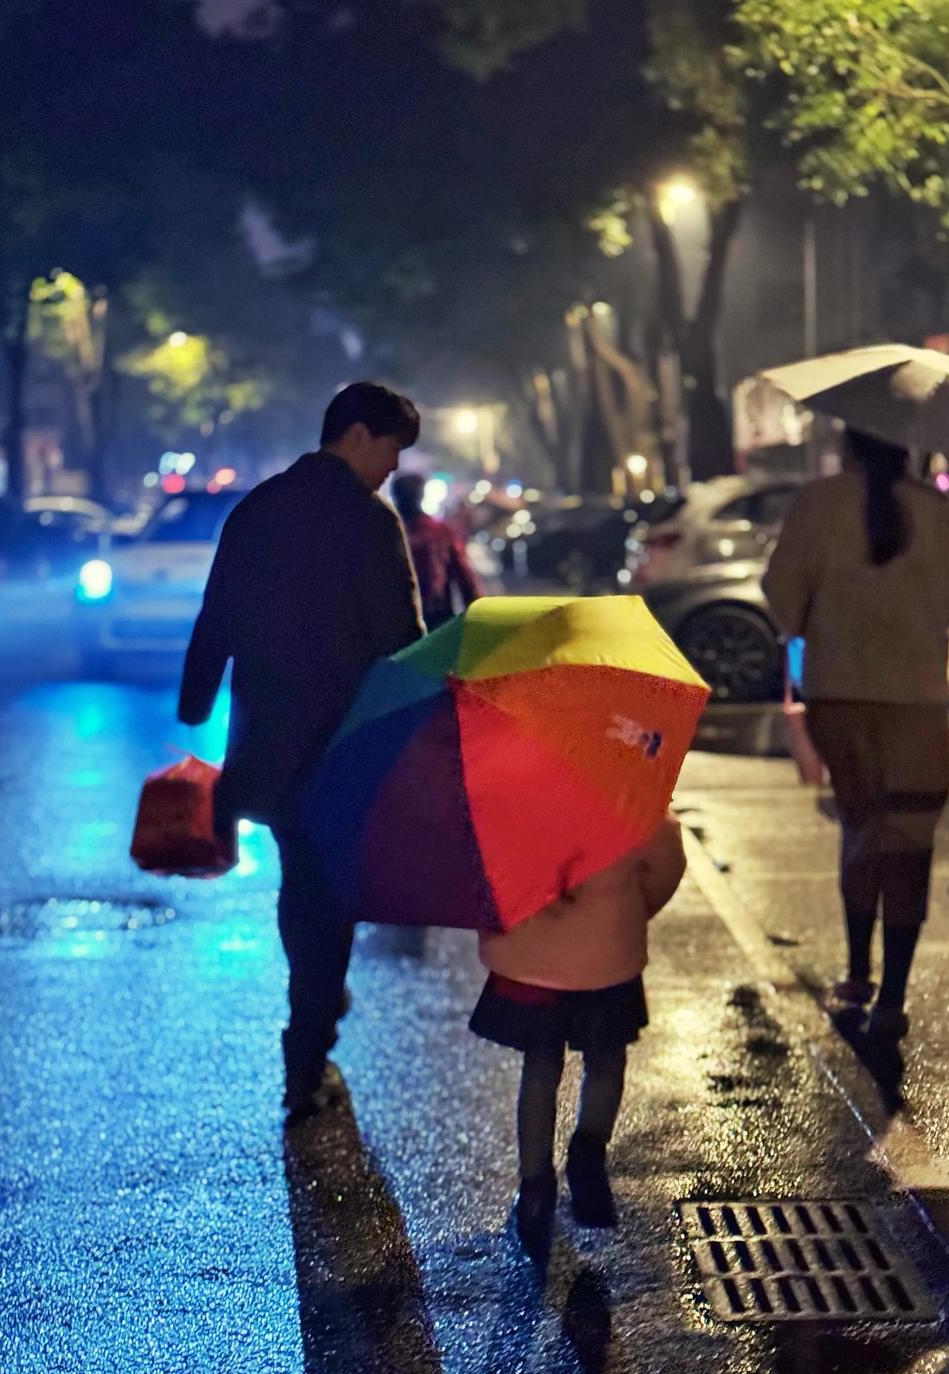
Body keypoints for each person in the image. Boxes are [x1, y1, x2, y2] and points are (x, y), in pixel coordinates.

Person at [178, 382, 425, 1117]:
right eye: (389, 447)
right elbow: (400, 641)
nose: (392, 465)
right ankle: (307, 1046)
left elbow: (216, 610)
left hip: (270, 736)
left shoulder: (258, 508)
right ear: (354, 434)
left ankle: (313, 1014)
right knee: (329, 891)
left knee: (302, 880)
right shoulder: (371, 523)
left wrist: (195, 700)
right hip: (345, 744)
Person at [762, 428, 949, 1042]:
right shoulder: (936, 510)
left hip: (839, 697)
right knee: (908, 843)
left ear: (850, 443)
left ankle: (857, 974)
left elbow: (782, 600)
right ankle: (894, 999)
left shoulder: (816, 503)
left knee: (861, 830)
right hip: (918, 701)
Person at [469, 815, 687, 1256]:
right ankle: (588, 1155)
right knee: (606, 1059)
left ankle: (534, 1190)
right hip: (605, 953)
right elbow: (666, 865)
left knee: (540, 1065)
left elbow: (489, 869)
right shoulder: (627, 798)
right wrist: (628, 909)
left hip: (536, 958)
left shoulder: (521, 796)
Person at [390, 472, 487, 629]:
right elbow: (464, 575)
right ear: (421, 495)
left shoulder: (385, 533)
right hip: (437, 618)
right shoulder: (439, 532)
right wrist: (479, 616)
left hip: (396, 621)